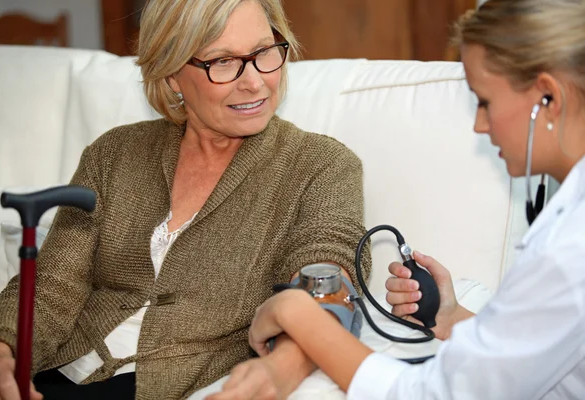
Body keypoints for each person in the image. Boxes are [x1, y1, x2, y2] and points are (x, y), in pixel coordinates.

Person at [0, 0, 371, 399]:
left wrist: (284, 366)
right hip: (55, 373)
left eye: (264, 52)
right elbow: (53, 284)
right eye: (223, 62)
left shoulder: (320, 167)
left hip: (167, 385)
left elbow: (328, 280)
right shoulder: (114, 153)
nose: (255, 82)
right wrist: (0, 350)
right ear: (171, 75)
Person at [210, 0, 585, 399]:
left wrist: (302, 317)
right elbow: (541, 356)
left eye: (485, 101)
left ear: (548, 97)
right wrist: (453, 318)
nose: (479, 125)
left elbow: (429, 395)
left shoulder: (568, 250)